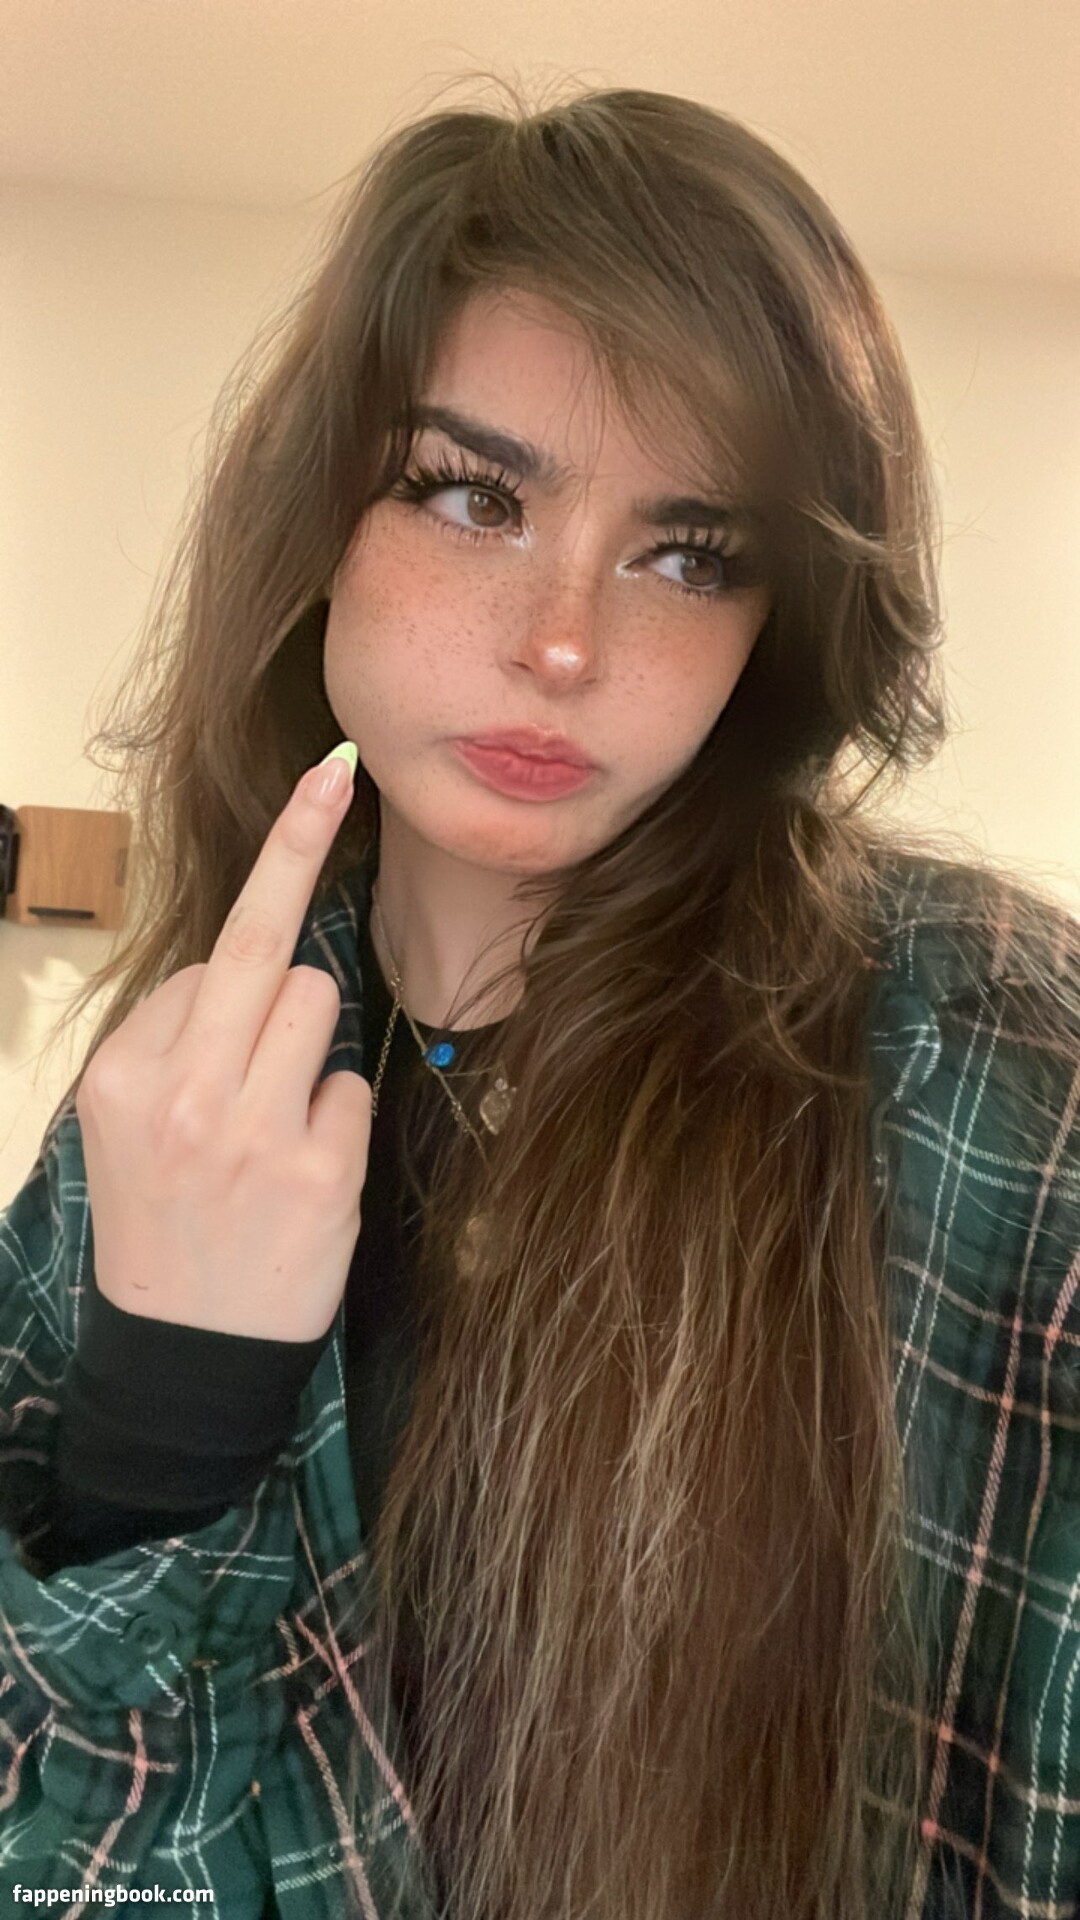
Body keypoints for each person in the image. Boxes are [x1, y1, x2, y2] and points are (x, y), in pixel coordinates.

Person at [1, 79, 1078, 1920]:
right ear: (321, 522)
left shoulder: (990, 1071)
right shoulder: (174, 1101)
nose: (564, 643)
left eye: (690, 554)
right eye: (471, 495)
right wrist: (170, 1420)